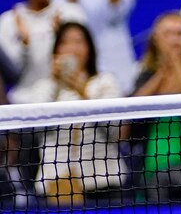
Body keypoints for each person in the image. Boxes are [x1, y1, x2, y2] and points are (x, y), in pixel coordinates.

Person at [30, 22, 127, 206]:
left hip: (103, 181)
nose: (72, 48)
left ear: (90, 48)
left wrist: (84, 93)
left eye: (78, 41)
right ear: (56, 50)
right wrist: (54, 83)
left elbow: (115, 130)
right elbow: (35, 125)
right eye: (65, 42)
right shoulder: (44, 87)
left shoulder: (105, 82)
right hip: (56, 184)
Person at [128, 11, 181, 201]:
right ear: (156, 40)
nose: (174, 40)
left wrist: (173, 60)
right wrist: (162, 70)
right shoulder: (145, 76)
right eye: (167, 34)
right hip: (149, 174)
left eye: (180, 34)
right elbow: (131, 109)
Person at [0, 0, 86, 104]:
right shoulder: (8, 22)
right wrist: (25, 44)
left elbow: (86, 58)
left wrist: (60, 37)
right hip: (24, 102)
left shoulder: (71, 13)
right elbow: (12, 75)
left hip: (66, 98)